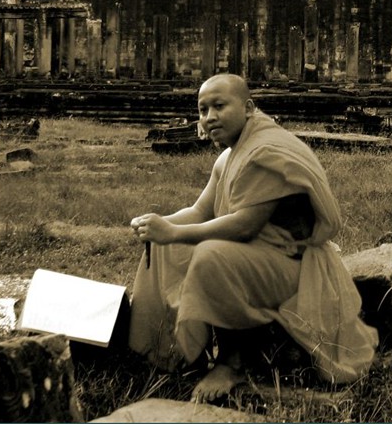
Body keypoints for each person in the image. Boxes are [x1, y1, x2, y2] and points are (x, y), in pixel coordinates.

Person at [127, 73, 377, 402]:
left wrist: (173, 231)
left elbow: (245, 226)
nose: (209, 117)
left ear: (248, 107)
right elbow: (201, 211)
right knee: (166, 245)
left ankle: (233, 361)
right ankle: (172, 353)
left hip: (294, 271)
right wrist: (157, 225)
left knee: (210, 254)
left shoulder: (266, 152)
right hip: (259, 260)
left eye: (219, 106)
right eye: (202, 110)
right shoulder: (229, 156)